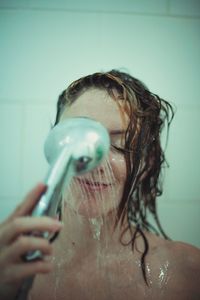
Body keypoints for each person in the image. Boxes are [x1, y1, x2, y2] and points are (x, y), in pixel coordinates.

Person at [0, 70, 200, 300]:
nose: (93, 161)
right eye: (76, 137)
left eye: (120, 144)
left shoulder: (188, 273)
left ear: (147, 163)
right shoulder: (8, 264)